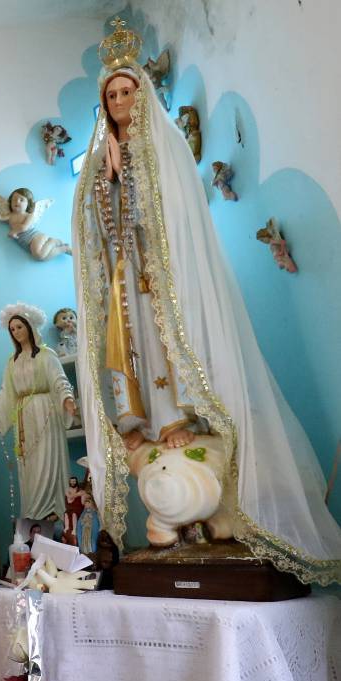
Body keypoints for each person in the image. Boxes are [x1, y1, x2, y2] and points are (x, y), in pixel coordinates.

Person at [72, 19, 341, 583]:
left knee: (165, 344)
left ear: (140, 96)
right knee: (128, 345)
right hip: (124, 276)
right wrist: (107, 180)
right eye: (111, 96)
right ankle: (139, 418)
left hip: (161, 277)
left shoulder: (163, 145)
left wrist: (132, 180)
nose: (119, 102)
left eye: (127, 92)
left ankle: (176, 418)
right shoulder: (101, 163)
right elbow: (98, 228)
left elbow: (171, 220)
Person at [0, 304, 76, 523]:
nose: (16, 332)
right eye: (12, 329)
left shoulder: (46, 355)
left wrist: (67, 398)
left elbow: (59, 379)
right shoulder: (12, 362)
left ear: (29, 327)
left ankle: (53, 513)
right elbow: (6, 394)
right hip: (24, 419)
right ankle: (33, 517)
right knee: (30, 468)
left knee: (48, 461)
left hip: (46, 413)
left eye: (19, 326)